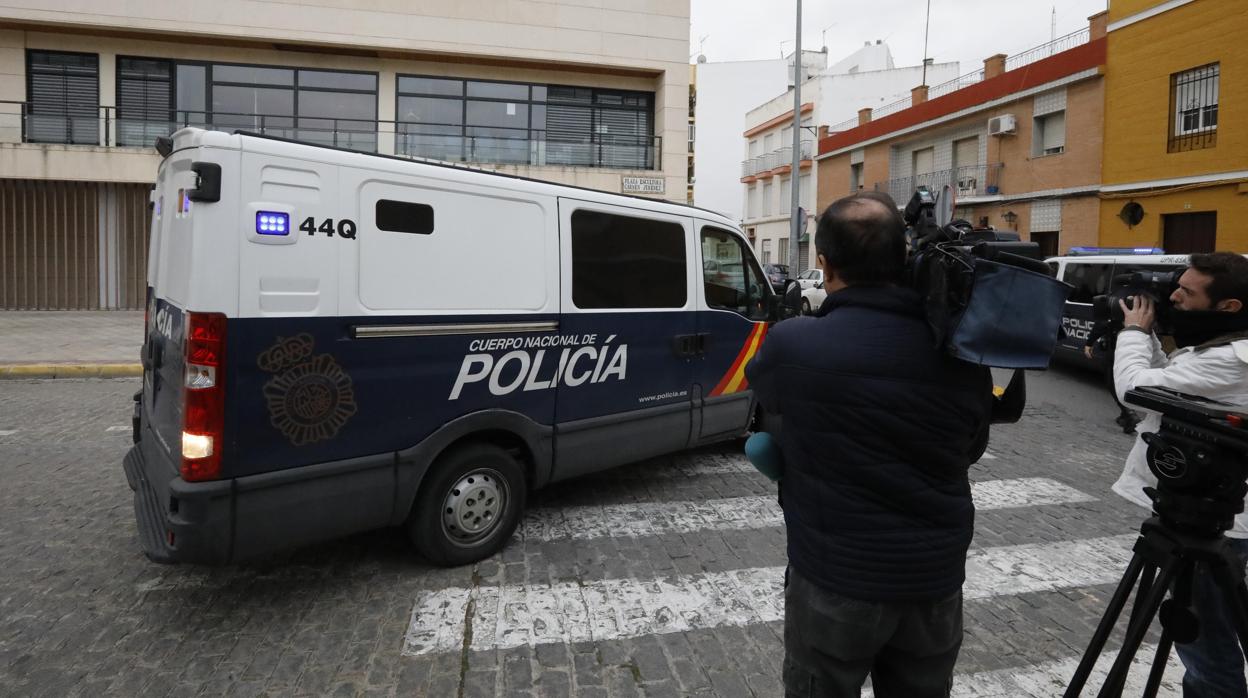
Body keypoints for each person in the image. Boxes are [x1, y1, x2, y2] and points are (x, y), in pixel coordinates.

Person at [745, 191, 994, 698]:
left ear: (824, 264)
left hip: (835, 581)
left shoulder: (794, 343)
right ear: (903, 260)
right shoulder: (961, 352)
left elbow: (768, 402)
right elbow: (972, 445)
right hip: (933, 583)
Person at [1112, 251, 1248, 697]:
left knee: (1207, 649)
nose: (1173, 297)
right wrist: (1149, 337)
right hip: (1223, 518)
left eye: (1186, 293)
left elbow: (1137, 391)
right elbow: (1168, 381)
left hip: (1220, 530)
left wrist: (1132, 332)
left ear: (1228, 307)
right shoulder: (1228, 343)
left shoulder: (1231, 360)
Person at [1083, 322, 1141, 433]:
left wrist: (1089, 342)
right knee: (1124, 377)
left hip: (1118, 342)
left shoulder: (1113, 305)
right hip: (1136, 341)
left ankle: (1129, 413)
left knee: (1112, 380)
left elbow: (1103, 321)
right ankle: (1124, 414)